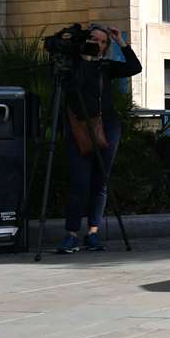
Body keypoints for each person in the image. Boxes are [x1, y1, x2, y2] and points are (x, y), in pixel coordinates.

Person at [57, 25, 141, 254]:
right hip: (78, 128)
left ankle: (93, 233)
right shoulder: (71, 64)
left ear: (105, 48)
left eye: (102, 42)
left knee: (100, 182)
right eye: (93, 38)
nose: (97, 43)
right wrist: (80, 54)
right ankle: (71, 234)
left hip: (107, 127)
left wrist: (120, 41)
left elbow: (135, 67)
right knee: (79, 181)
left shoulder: (106, 67)